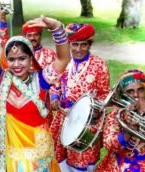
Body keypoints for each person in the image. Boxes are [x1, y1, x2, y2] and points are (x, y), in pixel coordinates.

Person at [0, 10, 71, 171]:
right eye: (11, 59)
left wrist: (57, 28)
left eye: (22, 58)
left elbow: (64, 58)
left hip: (38, 157)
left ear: (31, 58)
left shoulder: (42, 80)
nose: (16, 65)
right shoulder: (0, 80)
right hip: (12, 159)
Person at [49, 23, 110, 171]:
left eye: (83, 45)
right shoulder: (63, 62)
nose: (78, 49)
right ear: (69, 44)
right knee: (58, 155)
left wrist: (93, 110)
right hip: (64, 118)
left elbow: (104, 93)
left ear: (89, 45)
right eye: (75, 44)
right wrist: (55, 98)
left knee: (81, 159)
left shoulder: (99, 65)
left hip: (86, 122)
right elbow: (55, 84)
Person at [96, 69, 145, 172]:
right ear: (124, 94)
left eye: (140, 90)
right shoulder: (116, 114)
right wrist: (129, 131)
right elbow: (109, 144)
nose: (136, 95)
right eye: (130, 91)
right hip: (121, 162)